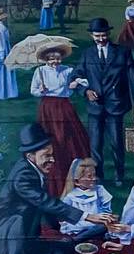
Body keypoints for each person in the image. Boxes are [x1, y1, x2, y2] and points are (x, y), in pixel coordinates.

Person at [0, 123, 110, 254]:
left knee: (66, 250)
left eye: (52, 155)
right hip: (3, 242)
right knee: (16, 220)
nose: (52, 160)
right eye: (47, 156)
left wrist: (60, 228)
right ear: (30, 155)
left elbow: (46, 208)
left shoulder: (36, 171)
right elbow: (45, 201)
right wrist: (87, 216)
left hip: (27, 238)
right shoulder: (22, 176)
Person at [77, 15, 134, 190]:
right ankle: (98, 177)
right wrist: (85, 91)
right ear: (92, 36)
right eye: (97, 36)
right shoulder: (86, 54)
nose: (101, 39)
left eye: (103, 35)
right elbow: (75, 77)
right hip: (95, 107)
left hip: (116, 105)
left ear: (108, 33)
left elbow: (132, 78)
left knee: (116, 142)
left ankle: (119, 174)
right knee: (95, 144)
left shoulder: (122, 52)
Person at [29, 39, 90, 186]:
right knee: (50, 136)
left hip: (64, 106)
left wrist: (75, 83)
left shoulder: (67, 70)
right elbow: (33, 90)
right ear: (46, 59)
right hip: (48, 107)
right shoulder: (40, 71)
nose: (54, 61)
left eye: (57, 58)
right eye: (51, 59)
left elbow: (85, 81)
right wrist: (40, 91)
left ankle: (72, 166)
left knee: (68, 136)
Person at [56, 157, 115, 236]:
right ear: (77, 181)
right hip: (77, 227)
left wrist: (104, 217)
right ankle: (79, 238)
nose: (94, 179)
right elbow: (63, 215)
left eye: (94, 175)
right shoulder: (70, 196)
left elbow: (106, 210)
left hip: (96, 225)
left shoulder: (99, 191)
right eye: (89, 176)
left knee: (103, 226)